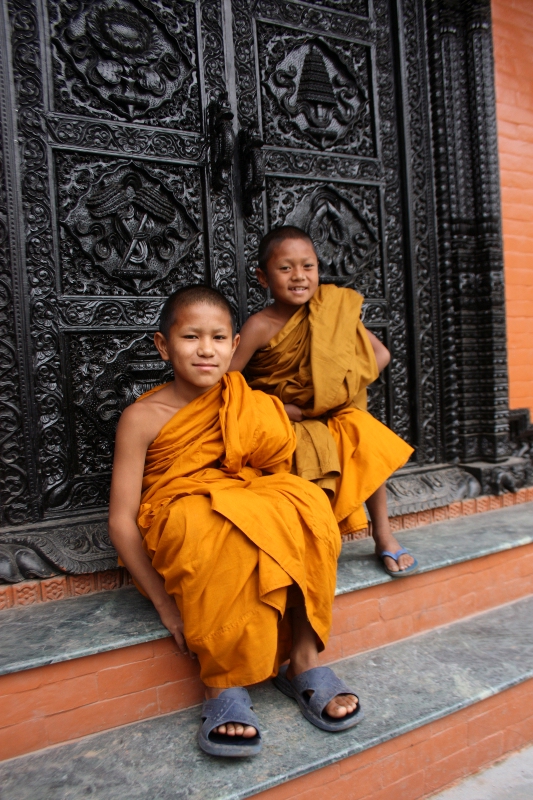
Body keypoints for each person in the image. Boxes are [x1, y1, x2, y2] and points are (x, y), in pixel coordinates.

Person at [108, 285, 363, 759]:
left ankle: (303, 661)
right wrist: (165, 605)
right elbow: (122, 521)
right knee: (202, 523)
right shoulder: (142, 417)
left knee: (306, 503)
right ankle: (221, 683)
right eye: (190, 337)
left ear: (234, 343)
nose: (206, 349)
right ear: (164, 346)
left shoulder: (249, 401)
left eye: (219, 338)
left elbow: (270, 467)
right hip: (184, 510)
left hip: (246, 493)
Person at [231, 226, 418, 577]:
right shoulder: (260, 325)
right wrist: (279, 409)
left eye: (308, 266)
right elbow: (228, 383)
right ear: (263, 277)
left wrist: (334, 393)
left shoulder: (333, 309)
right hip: (283, 418)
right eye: (285, 268)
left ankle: (383, 533)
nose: (299, 276)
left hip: (327, 411)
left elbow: (380, 355)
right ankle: (312, 541)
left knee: (363, 432)